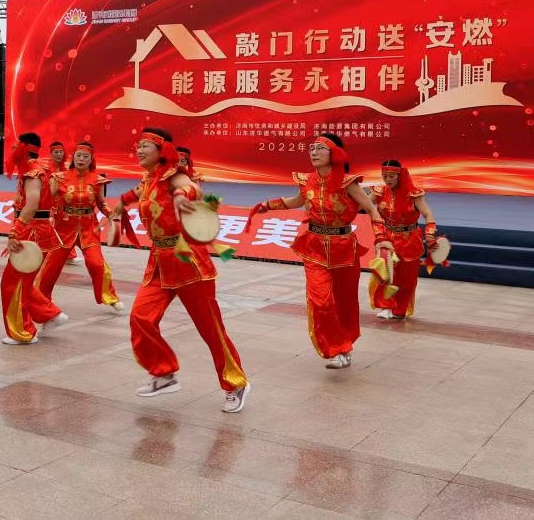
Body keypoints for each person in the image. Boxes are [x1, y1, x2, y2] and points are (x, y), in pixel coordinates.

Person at [109, 127, 249, 412]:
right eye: (138, 145)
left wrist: (182, 196)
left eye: (146, 146)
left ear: (161, 151)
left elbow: (191, 187)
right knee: (141, 317)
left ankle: (235, 383)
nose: (139, 150)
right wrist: (117, 209)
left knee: (210, 330)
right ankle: (164, 374)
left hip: (188, 261)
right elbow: (131, 196)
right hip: (159, 261)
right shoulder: (148, 180)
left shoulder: (174, 175)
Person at [248, 133, 386, 369]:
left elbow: (372, 210)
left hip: (343, 248)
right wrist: (267, 205)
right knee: (320, 301)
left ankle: (345, 345)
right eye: (311, 148)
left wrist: (381, 238)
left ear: (335, 153)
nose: (313, 152)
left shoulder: (348, 182)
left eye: (320, 148)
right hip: (314, 248)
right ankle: (336, 349)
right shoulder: (306, 180)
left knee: (344, 302)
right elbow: (296, 201)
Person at [0, 133, 67, 345]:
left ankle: (23, 332)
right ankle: (51, 315)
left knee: (13, 283)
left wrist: (15, 231)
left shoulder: (32, 172)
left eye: (15, 146)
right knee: (24, 283)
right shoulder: (37, 170)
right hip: (36, 229)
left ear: (24, 148)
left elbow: (31, 205)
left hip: (31, 231)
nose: (12, 150)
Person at [39, 141, 123, 310]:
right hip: (63, 228)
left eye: (85, 156)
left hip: (89, 229)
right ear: (73, 157)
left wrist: (111, 215)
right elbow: (47, 199)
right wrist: (48, 216)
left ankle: (109, 296)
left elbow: (101, 203)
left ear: (91, 159)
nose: (81, 159)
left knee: (97, 264)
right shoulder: (60, 177)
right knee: (50, 268)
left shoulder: (97, 180)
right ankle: (40, 300)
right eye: (78, 155)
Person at [368, 160, 439, 320]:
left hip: (409, 239)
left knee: (406, 278)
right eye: (385, 176)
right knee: (385, 272)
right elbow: (364, 205)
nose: (387, 179)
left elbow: (428, 214)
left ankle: (400, 309)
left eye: (391, 176)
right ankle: (386, 305)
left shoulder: (413, 194)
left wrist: (429, 234)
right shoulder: (379, 191)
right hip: (387, 239)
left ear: (400, 176)